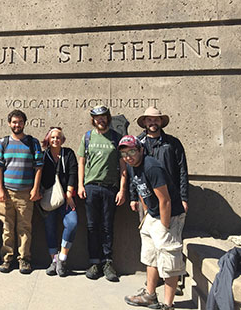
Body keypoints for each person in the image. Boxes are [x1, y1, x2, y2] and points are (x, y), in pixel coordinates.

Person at [119, 135, 186, 310]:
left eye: (132, 151)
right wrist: (147, 213)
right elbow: (141, 189)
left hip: (169, 216)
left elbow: (165, 201)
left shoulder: (152, 167)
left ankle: (168, 304)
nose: (128, 156)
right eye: (125, 153)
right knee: (151, 256)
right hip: (153, 215)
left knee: (169, 259)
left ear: (141, 150)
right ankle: (150, 295)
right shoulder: (132, 166)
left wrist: (165, 226)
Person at [77, 105, 126, 282]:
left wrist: (122, 189)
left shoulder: (116, 138)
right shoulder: (87, 137)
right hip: (91, 187)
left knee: (107, 226)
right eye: (97, 118)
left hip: (110, 188)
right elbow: (81, 163)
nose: (101, 120)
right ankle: (94, 262)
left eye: (103, 117)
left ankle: (107, 262)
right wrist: (81, 185)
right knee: (92, 226)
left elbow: (123, 167)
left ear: (108, 118)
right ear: (93, 120)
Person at [0, 109, 43, 274]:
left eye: (20, 122)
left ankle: (24, 260)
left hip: (25, 193)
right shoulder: (3, 142)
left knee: (24, 228)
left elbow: (38, 167)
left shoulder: (33, 142)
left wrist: (35, 188)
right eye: (14, 122)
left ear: (24, 123)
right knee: (7, 228)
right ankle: (6, 259)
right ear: (9, 124)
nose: (17, 125)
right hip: (6, 193)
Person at [135, 107, 189, 214]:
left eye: (156, 120)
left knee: (169, 229)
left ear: (161, 121)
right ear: (144, 122)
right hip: (146, 196)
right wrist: (133, 197)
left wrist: (184, 198)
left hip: (170, 195)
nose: (153, 123)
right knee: (148, 229)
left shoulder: (173, 143)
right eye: (149, 120)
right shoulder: (138, 143)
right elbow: (133, 171)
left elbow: (182, 171)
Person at [41, 127, 78, 277]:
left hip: (66, 197)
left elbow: (73, 173)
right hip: (48, 198)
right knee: (50, 229)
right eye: (53, 137)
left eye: (58, 137)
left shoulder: (68, 153)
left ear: (62, 140)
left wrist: (69, 193)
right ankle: (54, 261)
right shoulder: (44, 156)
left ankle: (62, 258)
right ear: (48, 139)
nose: (55, 140)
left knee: (72, 223)